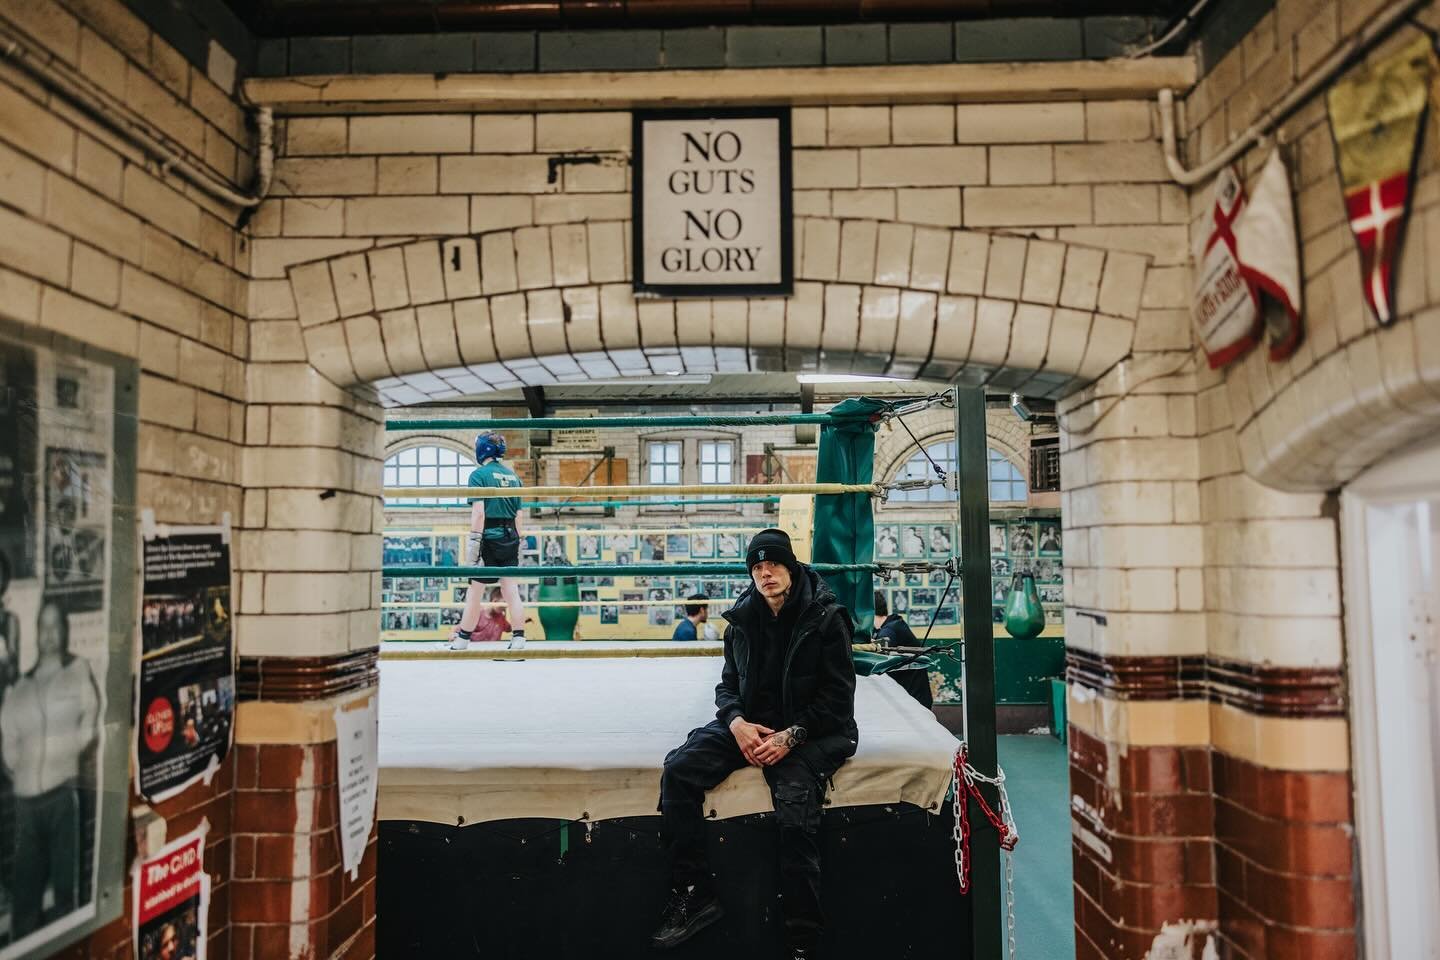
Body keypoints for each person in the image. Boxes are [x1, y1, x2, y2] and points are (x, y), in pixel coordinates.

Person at [653, 529, 858, 960]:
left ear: (791, 565)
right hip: (751, 726)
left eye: (773, 565)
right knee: (679, 771)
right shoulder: (743, 618)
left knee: (795, 813)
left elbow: (838, 701)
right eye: (757, 568)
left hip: (811, 732)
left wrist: (791, 736)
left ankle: (802, 938)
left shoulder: (826, 617)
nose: (765, 574)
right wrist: (737, 723)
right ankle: (695, 894)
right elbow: (728, 686)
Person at [0, 597, 99, 938]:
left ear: (65, 631)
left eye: (57, 626)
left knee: (65, 893)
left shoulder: (78, 671)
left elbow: (90, 717)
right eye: (44, 627)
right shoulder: (21, 687)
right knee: (25, 898)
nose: (50, 634)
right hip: (28, 805)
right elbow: (9, 739)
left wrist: (68, 751)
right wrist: (23, 770)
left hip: (62, 799)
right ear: (36, 633)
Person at [449, 433, 526, 651]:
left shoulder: (478, 475)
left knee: (475, 591)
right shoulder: (513, 477)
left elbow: (479, 514)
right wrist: (518, 542)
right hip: (510, 536)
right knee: (511, 590)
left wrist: (474, 544)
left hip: (488, 537)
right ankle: (519, 639)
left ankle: (462, 639)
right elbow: (519, 515)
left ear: (482, 449)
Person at [872, 592, 932, 710]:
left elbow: (877, 655)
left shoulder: (889, 630)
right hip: (915, 695)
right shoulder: (894, 623)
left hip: (914, 699)